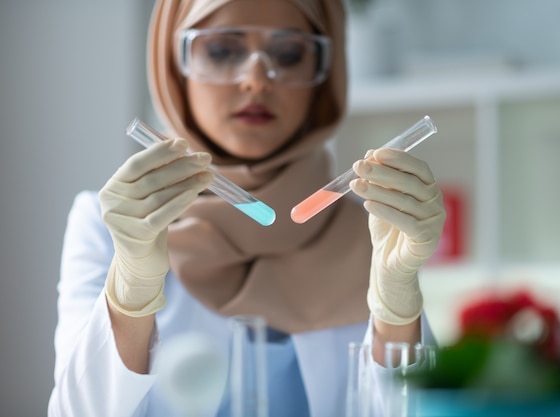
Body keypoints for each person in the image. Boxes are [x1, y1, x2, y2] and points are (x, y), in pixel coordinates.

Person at [48, 0, 446, 416]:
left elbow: (420, 409)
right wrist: (129, 289)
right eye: (222, 51)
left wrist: (397, 305)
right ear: (173, 63)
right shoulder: (112, 225)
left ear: (324, 77)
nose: (256, 79)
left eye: (289, 54)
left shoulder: (380, 228)